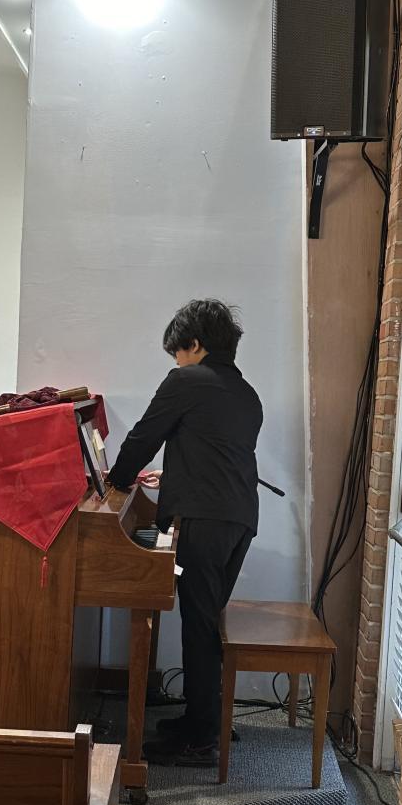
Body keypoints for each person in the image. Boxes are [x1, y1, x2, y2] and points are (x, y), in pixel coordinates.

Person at [107, 299, 263, 767]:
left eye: (178, 352)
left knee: (199, 625)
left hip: (205, 521)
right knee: (205, 619)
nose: (176, 361)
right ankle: (203, 719)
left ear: (194, 345)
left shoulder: (187, 380)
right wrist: (172, 478)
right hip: (238, 519)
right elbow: (215, 456)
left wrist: (116, 481)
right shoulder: (246, 393)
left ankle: (200, 740)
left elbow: (144, 436)